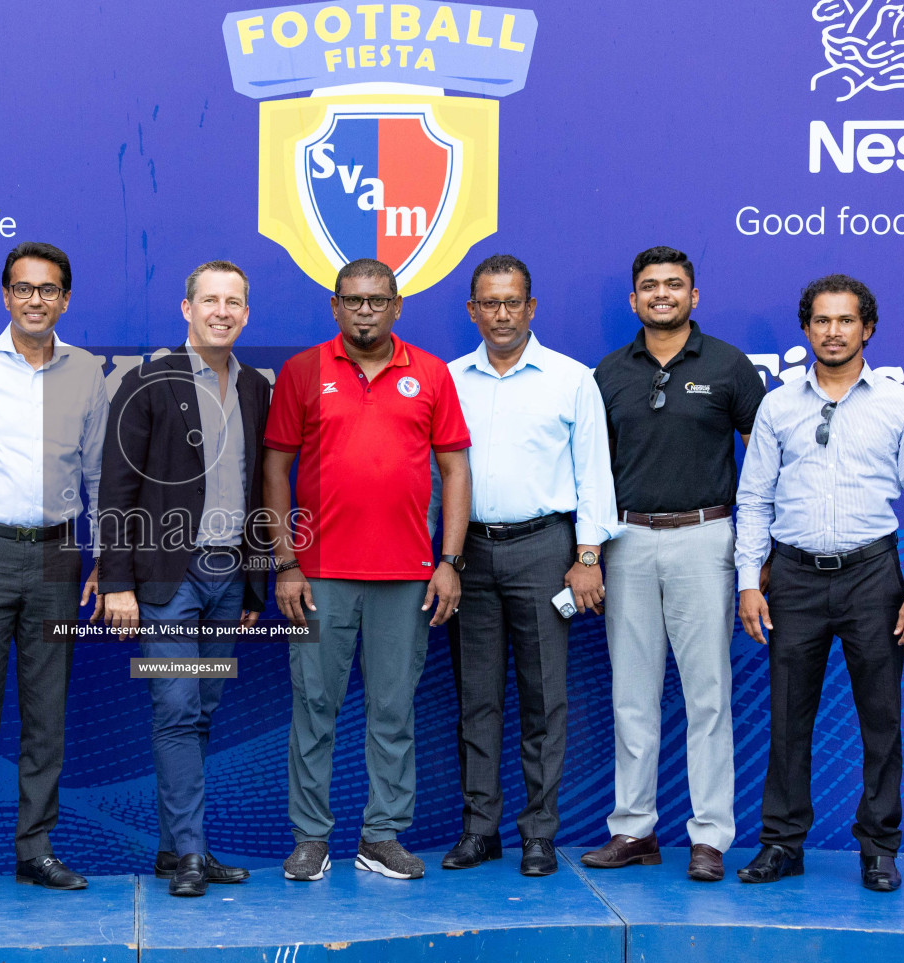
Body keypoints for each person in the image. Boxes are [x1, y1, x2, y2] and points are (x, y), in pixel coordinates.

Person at [264, 257, 472, 883]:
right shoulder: (303, 372)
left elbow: (455, 470)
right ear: (334, 306)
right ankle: (310, 840)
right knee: (314, 709)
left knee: (392, 712)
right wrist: (286, 563)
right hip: (320, 574)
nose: (364, 310)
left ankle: (382, 836)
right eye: (352, 300)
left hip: (407, 575)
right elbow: (275, 468)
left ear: (396, 305)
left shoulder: (431, 373)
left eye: (376, 300)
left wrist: (449, 562)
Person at [735, 274, 904, 892]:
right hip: (794, 579)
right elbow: (754, 499)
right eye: (822, 321)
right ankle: (782, 843)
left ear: (867, 329)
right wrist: (751, 580)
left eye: (846, 320)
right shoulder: (778, 406)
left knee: (881, 720)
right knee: (787, 718)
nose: (833, 331)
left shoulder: (901, 406)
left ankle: (879, 847)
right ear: (806, 330)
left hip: (874, 578)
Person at [0, 242, 108, 899]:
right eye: (24, 288)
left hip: (60, 555)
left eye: (50, 289)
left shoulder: (87, 371)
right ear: (5, 296)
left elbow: (96, 472)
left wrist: (105, 555)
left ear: (65, 299)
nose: (37, 299)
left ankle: (35, 850)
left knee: (46, 715)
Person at [582, 247, 766, 883]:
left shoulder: (729, 367)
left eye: (675, 285)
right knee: (632, 696)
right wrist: (589, 553)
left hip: (704, 538)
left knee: (707, 696)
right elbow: (590, 474)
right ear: (633, 300)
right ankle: (633, 831)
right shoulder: (607, 374)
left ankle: (709, 836)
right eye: (650, 286)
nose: (663, 294)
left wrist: (755, 554)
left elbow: (764, 460)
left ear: (694, 295)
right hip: (627, 542)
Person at [442, 253, 618, 878]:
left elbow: (595, 478)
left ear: (531, 307)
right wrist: (446, 558)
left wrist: (588, 556)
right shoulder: (450, 380)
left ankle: (539, 832)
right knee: (476, 697)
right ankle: (479, 830)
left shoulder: (571, 380)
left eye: (512, 302)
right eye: (489, 303)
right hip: (470, 554)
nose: (501, 314)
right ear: (472, 310)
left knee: (545, 699)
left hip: (546, 550)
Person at [98, 260, 269, 897]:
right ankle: (193, 854)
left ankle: (178, 851)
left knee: (202, 712)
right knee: (174, 709)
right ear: (186, 308)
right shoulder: (146, 380)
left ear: (246, 313)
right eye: (210, 300)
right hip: (168, 581)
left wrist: (253, 585)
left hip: (228, 582)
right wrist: (116, 582)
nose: (221, 311)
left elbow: (258, 489)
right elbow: (116, 487)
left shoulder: (256, 387)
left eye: (234, 302)